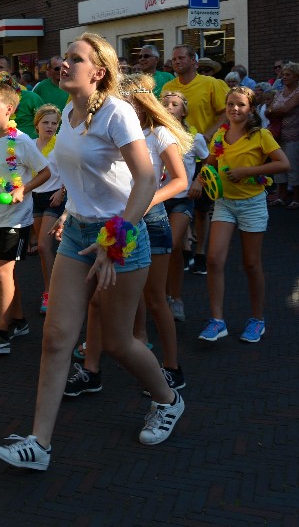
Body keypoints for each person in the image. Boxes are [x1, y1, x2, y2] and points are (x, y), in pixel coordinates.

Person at [0, 33, 180, 472]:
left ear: (99, 71)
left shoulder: (115, 113)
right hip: (77, 234)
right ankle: (39, 443)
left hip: (121, 237)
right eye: (64, 58)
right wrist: (30, 187)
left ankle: (168, 399)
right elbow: (58, 167)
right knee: (57, 338)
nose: (64, 64)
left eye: (75, 59)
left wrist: (113, 239)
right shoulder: (70, 115)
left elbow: (148, 180)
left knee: (117, 342)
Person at [64, 73, 191, 398]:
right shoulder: (108, 128)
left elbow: (179, 181)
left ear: (140, 104)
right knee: (96, 302)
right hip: (111, 223)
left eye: (126, 103)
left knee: (155, 298)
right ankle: (92, 370)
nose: (118, 108)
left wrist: (145, 202)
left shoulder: (158, 134)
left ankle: (172, 367)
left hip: (150, 221)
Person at [191, 86, 289, 343]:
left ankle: (257, 320)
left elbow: (283, 163)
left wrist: (247, 171)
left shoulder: (261, 135)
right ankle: (217, 320)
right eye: (231, 104)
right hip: (224, 203)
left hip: (252, 205)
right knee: (213, 260)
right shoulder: (220, 136)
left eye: (241, 105)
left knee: (251, 264)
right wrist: (200, 181)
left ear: (251, 109)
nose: (235, 109)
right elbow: (210, 164)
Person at [0, 82, 49, 355]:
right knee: (7, 273)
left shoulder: (22, 141)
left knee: (2, 271)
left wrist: (23, 189)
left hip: (17, 218)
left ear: (10, 108)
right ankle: (19, 321)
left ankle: (1, 335)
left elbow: (45, 171)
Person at [162, 45, 230, 276]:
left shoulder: (210, 84)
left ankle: (200, 251)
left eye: (181, 57)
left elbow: (223, 112)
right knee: (178, 202)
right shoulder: (168, 87)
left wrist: (209, 134)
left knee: (201, 208)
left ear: (194, 61)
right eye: (174, 59)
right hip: (176, 152)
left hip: (203, 152)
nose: (177, 62)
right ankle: (186, 248)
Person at [160, 90, 209, 322]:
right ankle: (161, 296)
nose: (170, 107)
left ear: (184, 110)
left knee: (174, 243)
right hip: (157, 198)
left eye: (175, 104)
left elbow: (209, 160)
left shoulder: (194, 137)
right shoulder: (153, 133)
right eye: (166, 103)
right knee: (159, 250)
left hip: (181, 198)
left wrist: (199, 180)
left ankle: (176, 298)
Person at [30, 104, 65, 315]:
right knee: (44, 251)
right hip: (34, 197)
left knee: (43, 246)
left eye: (54, 123)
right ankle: (53, 287)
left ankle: (50, 293)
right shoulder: (30, 144)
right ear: (37, 125)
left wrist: (62, 191)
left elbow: (71, 170)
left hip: (54, 198)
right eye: (46, 122)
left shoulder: (60, 144)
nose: (50, 126)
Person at [265, 62, 299, 209]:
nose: (284, 77)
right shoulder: (279, 92)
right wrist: (275, 110)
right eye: (283, 75)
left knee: (293, 166)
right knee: (278, 166)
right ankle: (280, 196)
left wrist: (274, 111)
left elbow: (285, 109)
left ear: (297, 76)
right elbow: (269, 109)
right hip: (278, 135)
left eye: (288, 75)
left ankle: (296, 198)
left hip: (293, 134)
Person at [0, 56, 43, 137]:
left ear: (10, 70)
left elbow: (44, 121)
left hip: (29, 144)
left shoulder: (30, 96)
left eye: (1, 67)